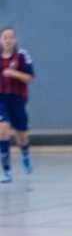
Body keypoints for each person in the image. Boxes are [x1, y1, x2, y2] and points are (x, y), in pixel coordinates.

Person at [0, 26, 35, 184]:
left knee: (21, 135)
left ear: (15, 39)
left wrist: (13, 73)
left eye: (10, 37)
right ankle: (7, 171)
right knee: (3, 129)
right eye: (5, 37)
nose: (8, 40)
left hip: (17, 99)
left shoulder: (22, 56)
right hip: (1, 99)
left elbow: (30, 78)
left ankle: (25, 154)